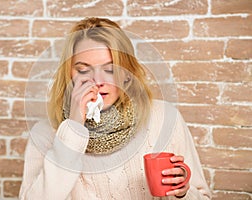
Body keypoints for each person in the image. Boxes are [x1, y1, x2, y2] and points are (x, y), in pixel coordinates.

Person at [19, 17, 211, 199]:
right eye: (83, 69)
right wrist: (74, 126)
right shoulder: (45, 133)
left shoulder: (165, 118)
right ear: (69, 74)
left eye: (110, 69)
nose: (97, 81)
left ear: (127, 75)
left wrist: (182, 192)